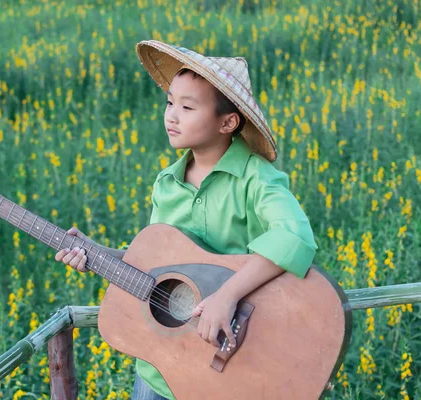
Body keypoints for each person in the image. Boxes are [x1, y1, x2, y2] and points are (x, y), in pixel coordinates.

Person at [54, 40, 318, 400]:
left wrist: (226, 295)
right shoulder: (167, 184)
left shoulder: (257, 179)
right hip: (162, 366)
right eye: (169, 102)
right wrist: (95, 253)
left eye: (187, 107)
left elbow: (295, 236)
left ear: (227, 122)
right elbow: (155, 266)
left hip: (236, 362)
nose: (171, 116)